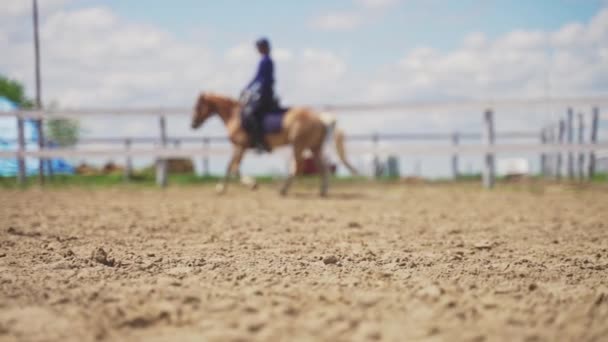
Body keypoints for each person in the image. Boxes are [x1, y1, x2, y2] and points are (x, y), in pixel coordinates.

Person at [240, 37, 277, 152]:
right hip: (263, 92)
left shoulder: (265, 61)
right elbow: (257, 78)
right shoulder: (265, 60)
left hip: (265, 94)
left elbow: (260, 79)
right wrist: (247, 88)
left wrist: (249, 90)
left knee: (252, 113)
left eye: (259, 47)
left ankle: (260, 141)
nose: (258, 49)